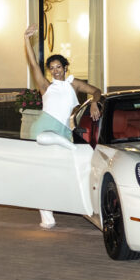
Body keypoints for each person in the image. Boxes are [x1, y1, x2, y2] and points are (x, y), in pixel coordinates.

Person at [23, 25, 103, 228]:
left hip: (64, 131)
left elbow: (96, 91)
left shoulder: (72, 84)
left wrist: (94, 102)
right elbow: (33, 65)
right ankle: (46, 217)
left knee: (65, 172)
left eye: (58, 67)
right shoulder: (46, 87)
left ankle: (81, 203)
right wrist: (26, 39)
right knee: (42, 174)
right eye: (52, 68)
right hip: (44, 128)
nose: (55, 71)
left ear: (65, 67)